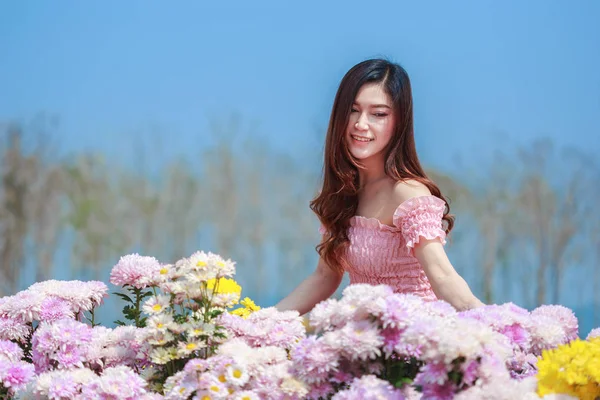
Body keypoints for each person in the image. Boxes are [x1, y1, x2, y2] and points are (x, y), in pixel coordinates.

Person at [275, 58, 485, 315]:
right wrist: (261, 322)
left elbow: (442, 277)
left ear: (399, 122)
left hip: (413, 343)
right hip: (365, 343)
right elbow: (324, 277)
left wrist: (497, 327)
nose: (361, 124)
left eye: (378, 114)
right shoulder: (343, 194)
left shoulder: (408, 193)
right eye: (353, 110)